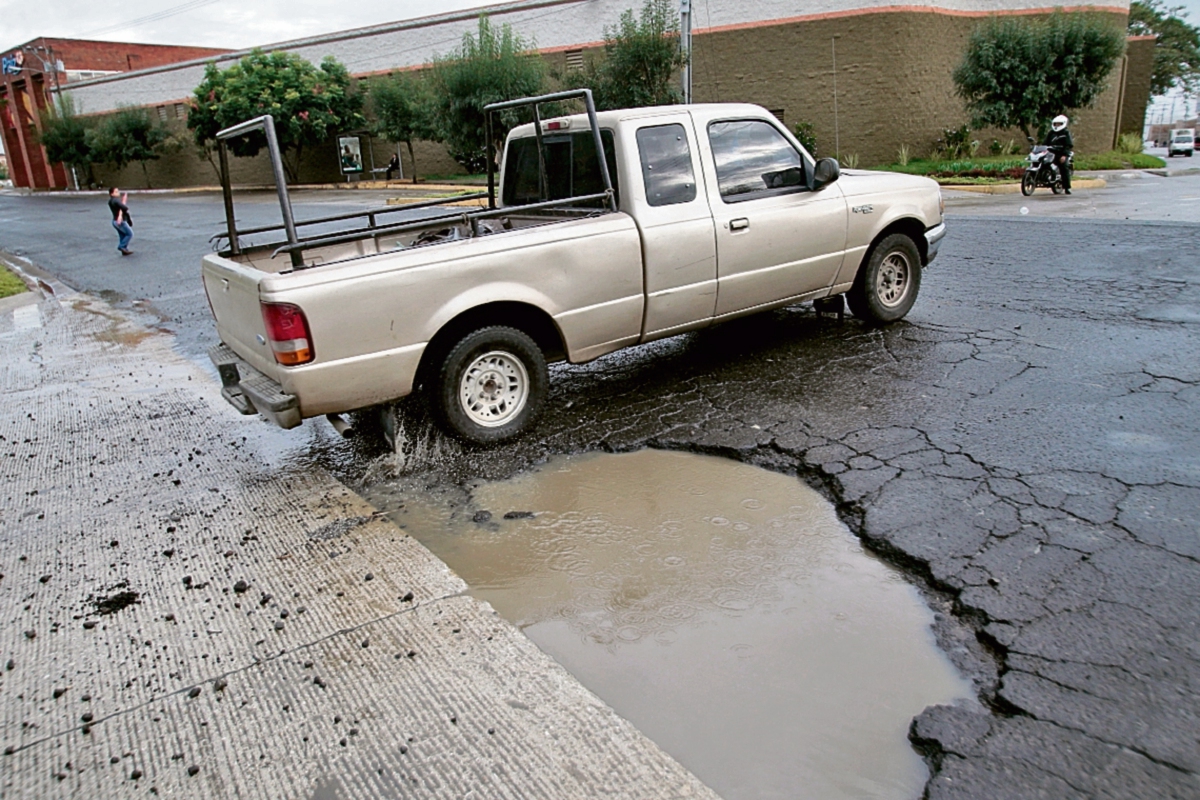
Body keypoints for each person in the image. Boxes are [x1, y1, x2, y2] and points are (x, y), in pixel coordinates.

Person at [1044, 115, 1073, 195]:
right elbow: (1045, 143)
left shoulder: (1066, 133)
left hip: (1061, 154)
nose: (1057, 126)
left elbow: (1068, 145)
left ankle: (1067, 187)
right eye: (1055, 124)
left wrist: (1064, 155)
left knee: (1064, 167)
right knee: (1043, 162)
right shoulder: (1051, 133)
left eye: (1059, 124)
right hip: (1051, 153)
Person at [108, 187, 133, 255]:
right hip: (120, 221)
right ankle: (121, 246)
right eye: (116, 192)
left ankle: (124, 250)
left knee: (122, 235)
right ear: (112, 194)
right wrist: (124, 201)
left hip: (115, 221)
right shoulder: (116, 200)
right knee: (129, 234)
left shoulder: (110, 201)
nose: (118, 192)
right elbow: (124, 208)